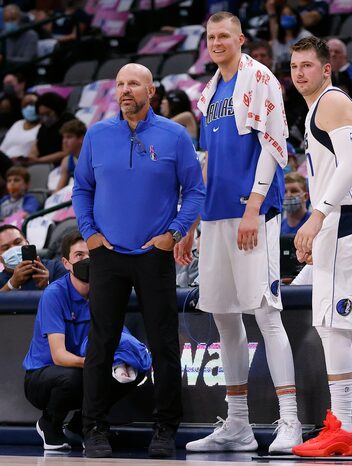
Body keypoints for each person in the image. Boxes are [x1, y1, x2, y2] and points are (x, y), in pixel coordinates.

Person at [177, 11, 303, 455]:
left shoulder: (260, 77)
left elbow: (274, 146)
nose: (216, 42)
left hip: (251, 215)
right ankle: (238, 425)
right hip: (213, 218)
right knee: (224, 318)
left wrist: (253, 207)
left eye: (224, 35)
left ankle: (291, 422)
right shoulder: (210, 90)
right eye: (210, 37)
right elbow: (208, 163)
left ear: (241, 38)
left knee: (265, 314)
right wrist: (191, 224)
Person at [72, 63, 205, 458]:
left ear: (151, 90)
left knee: (164, 344)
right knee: (101, 343)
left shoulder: (174, 135)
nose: (125, 90)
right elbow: (81, 189)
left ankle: (165, 428)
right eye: (120, 84)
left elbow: (195, 191)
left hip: (153, 254)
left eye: (134, 84)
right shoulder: (96, 135)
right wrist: (90, 233)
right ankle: (93, 426)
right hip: (107, 255)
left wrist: (173, 234)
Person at [290, 36, 352, 457]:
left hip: (347, 220)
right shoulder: (323, 104)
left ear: (326, 68)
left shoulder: (331, 102)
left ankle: (344, 427)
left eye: (307, 66)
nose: (299, 73)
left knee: (335, 326)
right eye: (294, 66)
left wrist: (317, 216)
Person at [23, 230, 151, 451]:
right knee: (75, 377)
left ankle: (81, 424)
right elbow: (58, 355)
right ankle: (49, 423)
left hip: (85, 367)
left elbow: (119, 340)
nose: (86, 260)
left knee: (130, 373)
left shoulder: (107, 295)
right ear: (66, 263)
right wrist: (97, 364)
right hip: (43, 375)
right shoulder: (54, 294)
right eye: (79, 255)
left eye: (91, 254)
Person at [0, 224, 66, 292]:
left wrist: (47, 285)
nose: (13, 249)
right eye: (6, 248)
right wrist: (11, 285)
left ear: (27, 243)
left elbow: (70, 297)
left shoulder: (55, 268)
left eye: (18, 242)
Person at [27, 92, 75, 166]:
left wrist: (39, 160)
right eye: (41, 115)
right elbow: (36, 146)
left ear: (56, 110)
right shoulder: (43, 127)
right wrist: (30, 158)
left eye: (48, 114)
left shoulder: (69, 122)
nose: (45, 118)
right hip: (44, 165)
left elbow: (66, 153)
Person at [266, 0, 312, 71]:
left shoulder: (306, 36)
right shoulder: (277, 41)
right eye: (284, 15)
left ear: (296, 17)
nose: (287, 17)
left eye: (290, 14)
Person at [0, 92, 40, 161]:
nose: (29, 108)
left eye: (32, 104)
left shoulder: (42, 128)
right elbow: (3, 148)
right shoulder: (18, 124)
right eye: (25, 105)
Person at [55, 119, 87, 191]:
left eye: (69, 137)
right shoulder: (66, 161)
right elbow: (58, 190)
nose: (64, 141)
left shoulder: (94, 157)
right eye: (64, 137)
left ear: (81, 138)